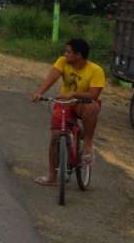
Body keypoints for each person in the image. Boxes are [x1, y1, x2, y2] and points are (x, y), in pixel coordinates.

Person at [31, 38, 105, 186]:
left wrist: (74, 94)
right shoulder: (62, 62)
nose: (65, 54)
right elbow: (52, 77)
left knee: (93, 107)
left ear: (78, 55)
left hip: (82, 103)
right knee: (55, 136)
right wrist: (40, 92)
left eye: (68, 52)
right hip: (64, 103)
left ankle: (87, 144)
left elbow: (94, 95)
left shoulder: (96, 70)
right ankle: (52, 177)